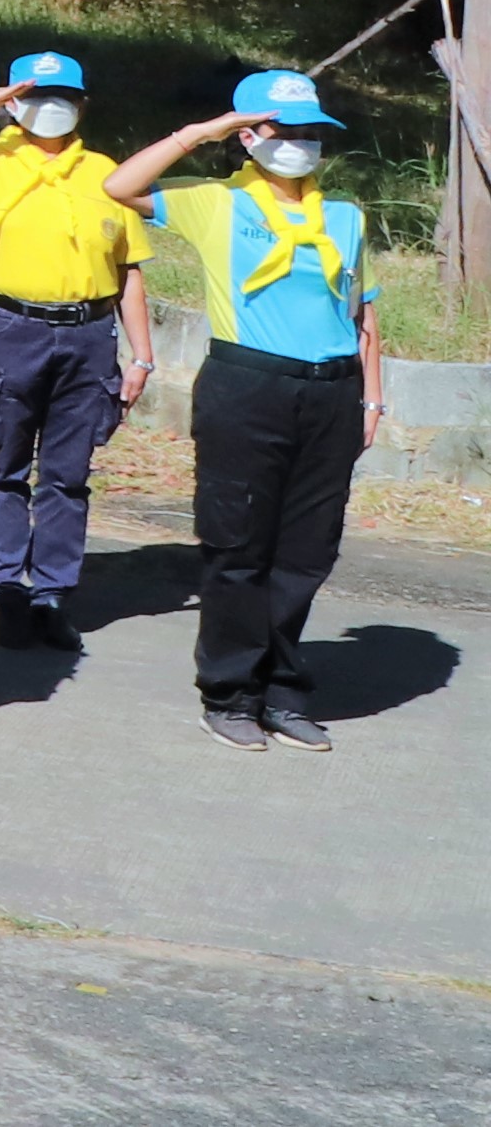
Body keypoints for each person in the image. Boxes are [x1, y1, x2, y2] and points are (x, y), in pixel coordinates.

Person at [106, 71, 388, 750]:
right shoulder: (218, 204)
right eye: (284, 131)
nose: (299, 144)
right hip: (248, 384)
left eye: (311, 133)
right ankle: (230, 691)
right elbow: (120, 186)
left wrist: (371, 396)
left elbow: (364, 314)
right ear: (250, 137)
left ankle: (283, 687)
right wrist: (200, 132)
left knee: (307, 547)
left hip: (330, 389)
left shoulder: (345, 216)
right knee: (240, 544)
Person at [0, 50, 148, 655]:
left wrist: (142, 355)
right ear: (14, 104)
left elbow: (129, 270)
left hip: (87, 332)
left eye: (63, 97)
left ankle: (52, 593)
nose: (51, 108)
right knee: (2, 465)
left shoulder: (106, 173)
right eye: (36, 95)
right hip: (8, 328)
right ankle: (5, 592)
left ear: (81, 106)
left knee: (68, 474)